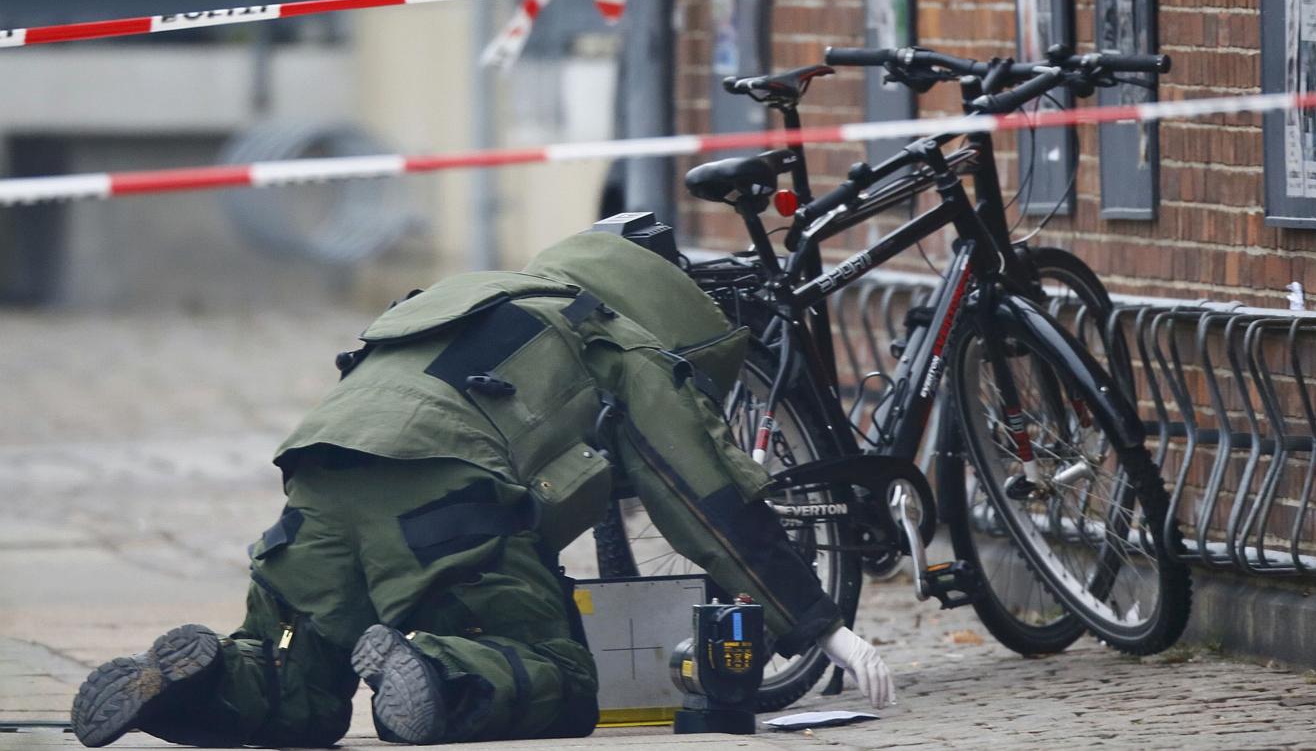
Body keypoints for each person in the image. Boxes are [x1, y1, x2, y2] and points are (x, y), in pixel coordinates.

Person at [71, 228, 895, 747]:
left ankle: (197, 684)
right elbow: (704, 496)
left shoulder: (465, 299)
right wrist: (823, 627)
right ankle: (437, 669)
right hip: (444, 511)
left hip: (316, 492)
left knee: (301, 689)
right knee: (564, 681)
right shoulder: (615, 339)